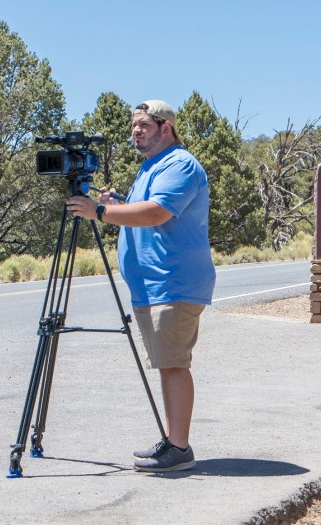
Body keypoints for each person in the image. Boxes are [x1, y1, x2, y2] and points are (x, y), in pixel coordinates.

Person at [66, 99, 215, 471]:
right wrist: (116, 203)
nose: (136, 131)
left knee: (173, 364)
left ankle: (179, 449)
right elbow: (144, 208)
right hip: (152, 286)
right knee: (167, 363)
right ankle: (172, 441)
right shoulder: (152, 167)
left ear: (166, 127)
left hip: (173, 282)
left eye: (144, 124)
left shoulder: (179, 163)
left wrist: (101, 211)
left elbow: (157, 212)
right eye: (134, 125)